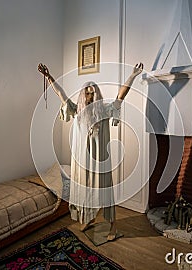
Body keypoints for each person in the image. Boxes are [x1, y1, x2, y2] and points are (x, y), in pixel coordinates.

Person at [38, 62, 143, 240]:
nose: (89, 96)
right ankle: (88, 219)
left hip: (100, 161)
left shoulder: (104, 110)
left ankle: (113, 227)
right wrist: (49, 77)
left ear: (97, 95)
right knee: (85, 191)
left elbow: (120, 96)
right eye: (87, 93)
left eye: (92, 93)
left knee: (105, 192)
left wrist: (132, 76)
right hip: (81, 161)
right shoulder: (77, 110)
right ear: (82, 95)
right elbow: (60, 94)